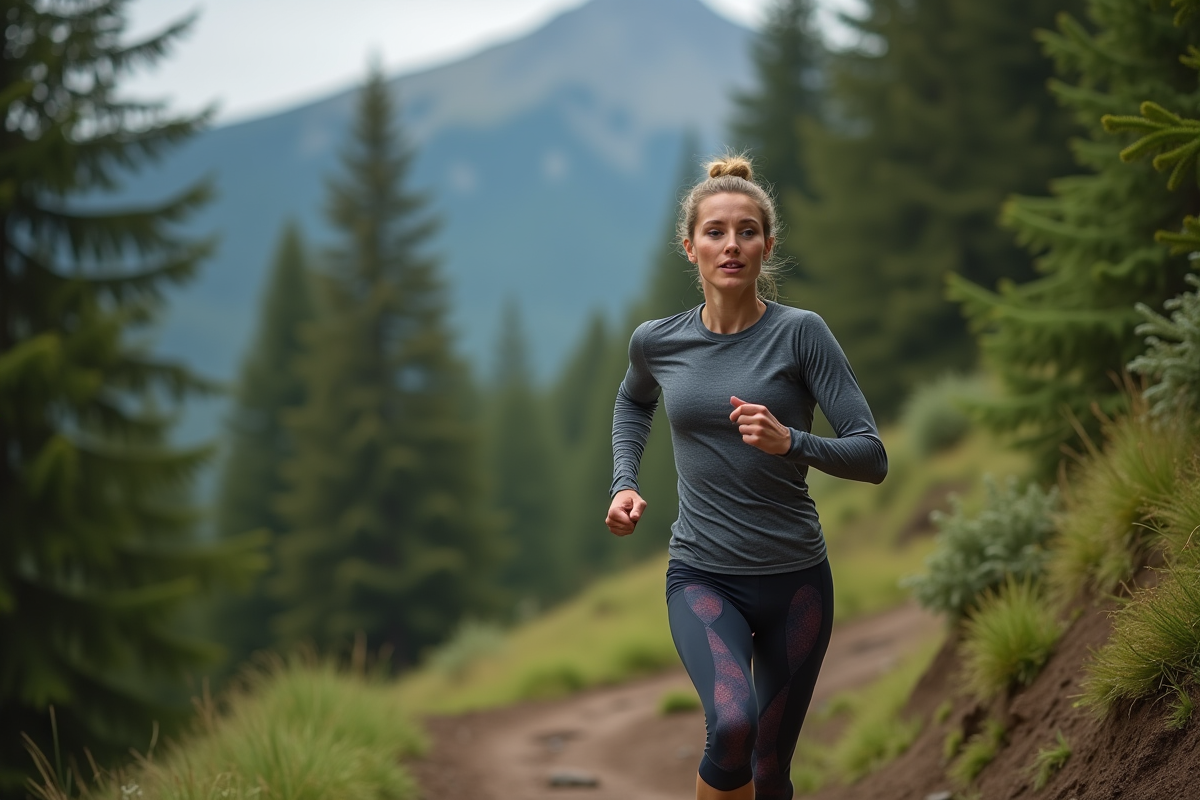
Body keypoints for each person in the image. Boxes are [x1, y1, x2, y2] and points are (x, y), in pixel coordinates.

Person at [605, 154, 887, 800]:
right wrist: (624, 481)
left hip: (796, 583)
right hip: (704, 575)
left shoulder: (801, 336)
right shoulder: (657, 343)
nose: (731, 244)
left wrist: (793, 443)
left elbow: (872, 456)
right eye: (715, 231)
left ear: (767, 245)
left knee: (768, 769)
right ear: (690, 247)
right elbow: (632, 402)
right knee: (731, 725)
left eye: (747, 231)